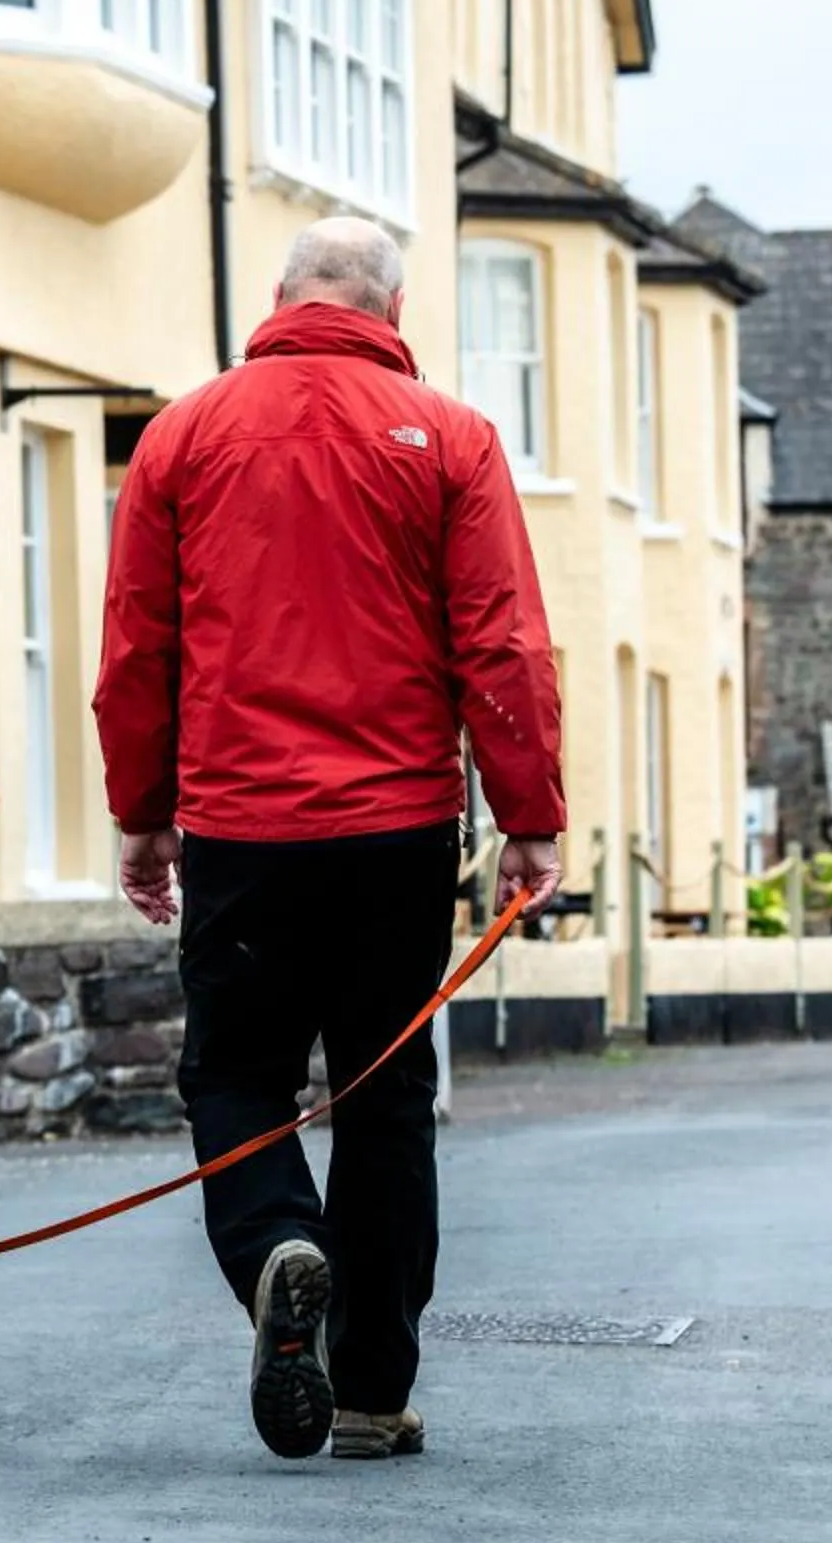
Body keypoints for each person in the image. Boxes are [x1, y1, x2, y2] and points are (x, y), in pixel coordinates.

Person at [94, 216, 565, 1463]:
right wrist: (532, 817)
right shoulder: (453, 440)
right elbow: (504, 645)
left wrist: (142, 814)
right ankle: (368, 1391)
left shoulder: (181, 437)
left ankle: (271, 1247)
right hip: (400, 830)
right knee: (384, 1095)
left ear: (280, 296)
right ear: (393, 312)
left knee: (237, 1073)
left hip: (242, 826)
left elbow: (138, 644)